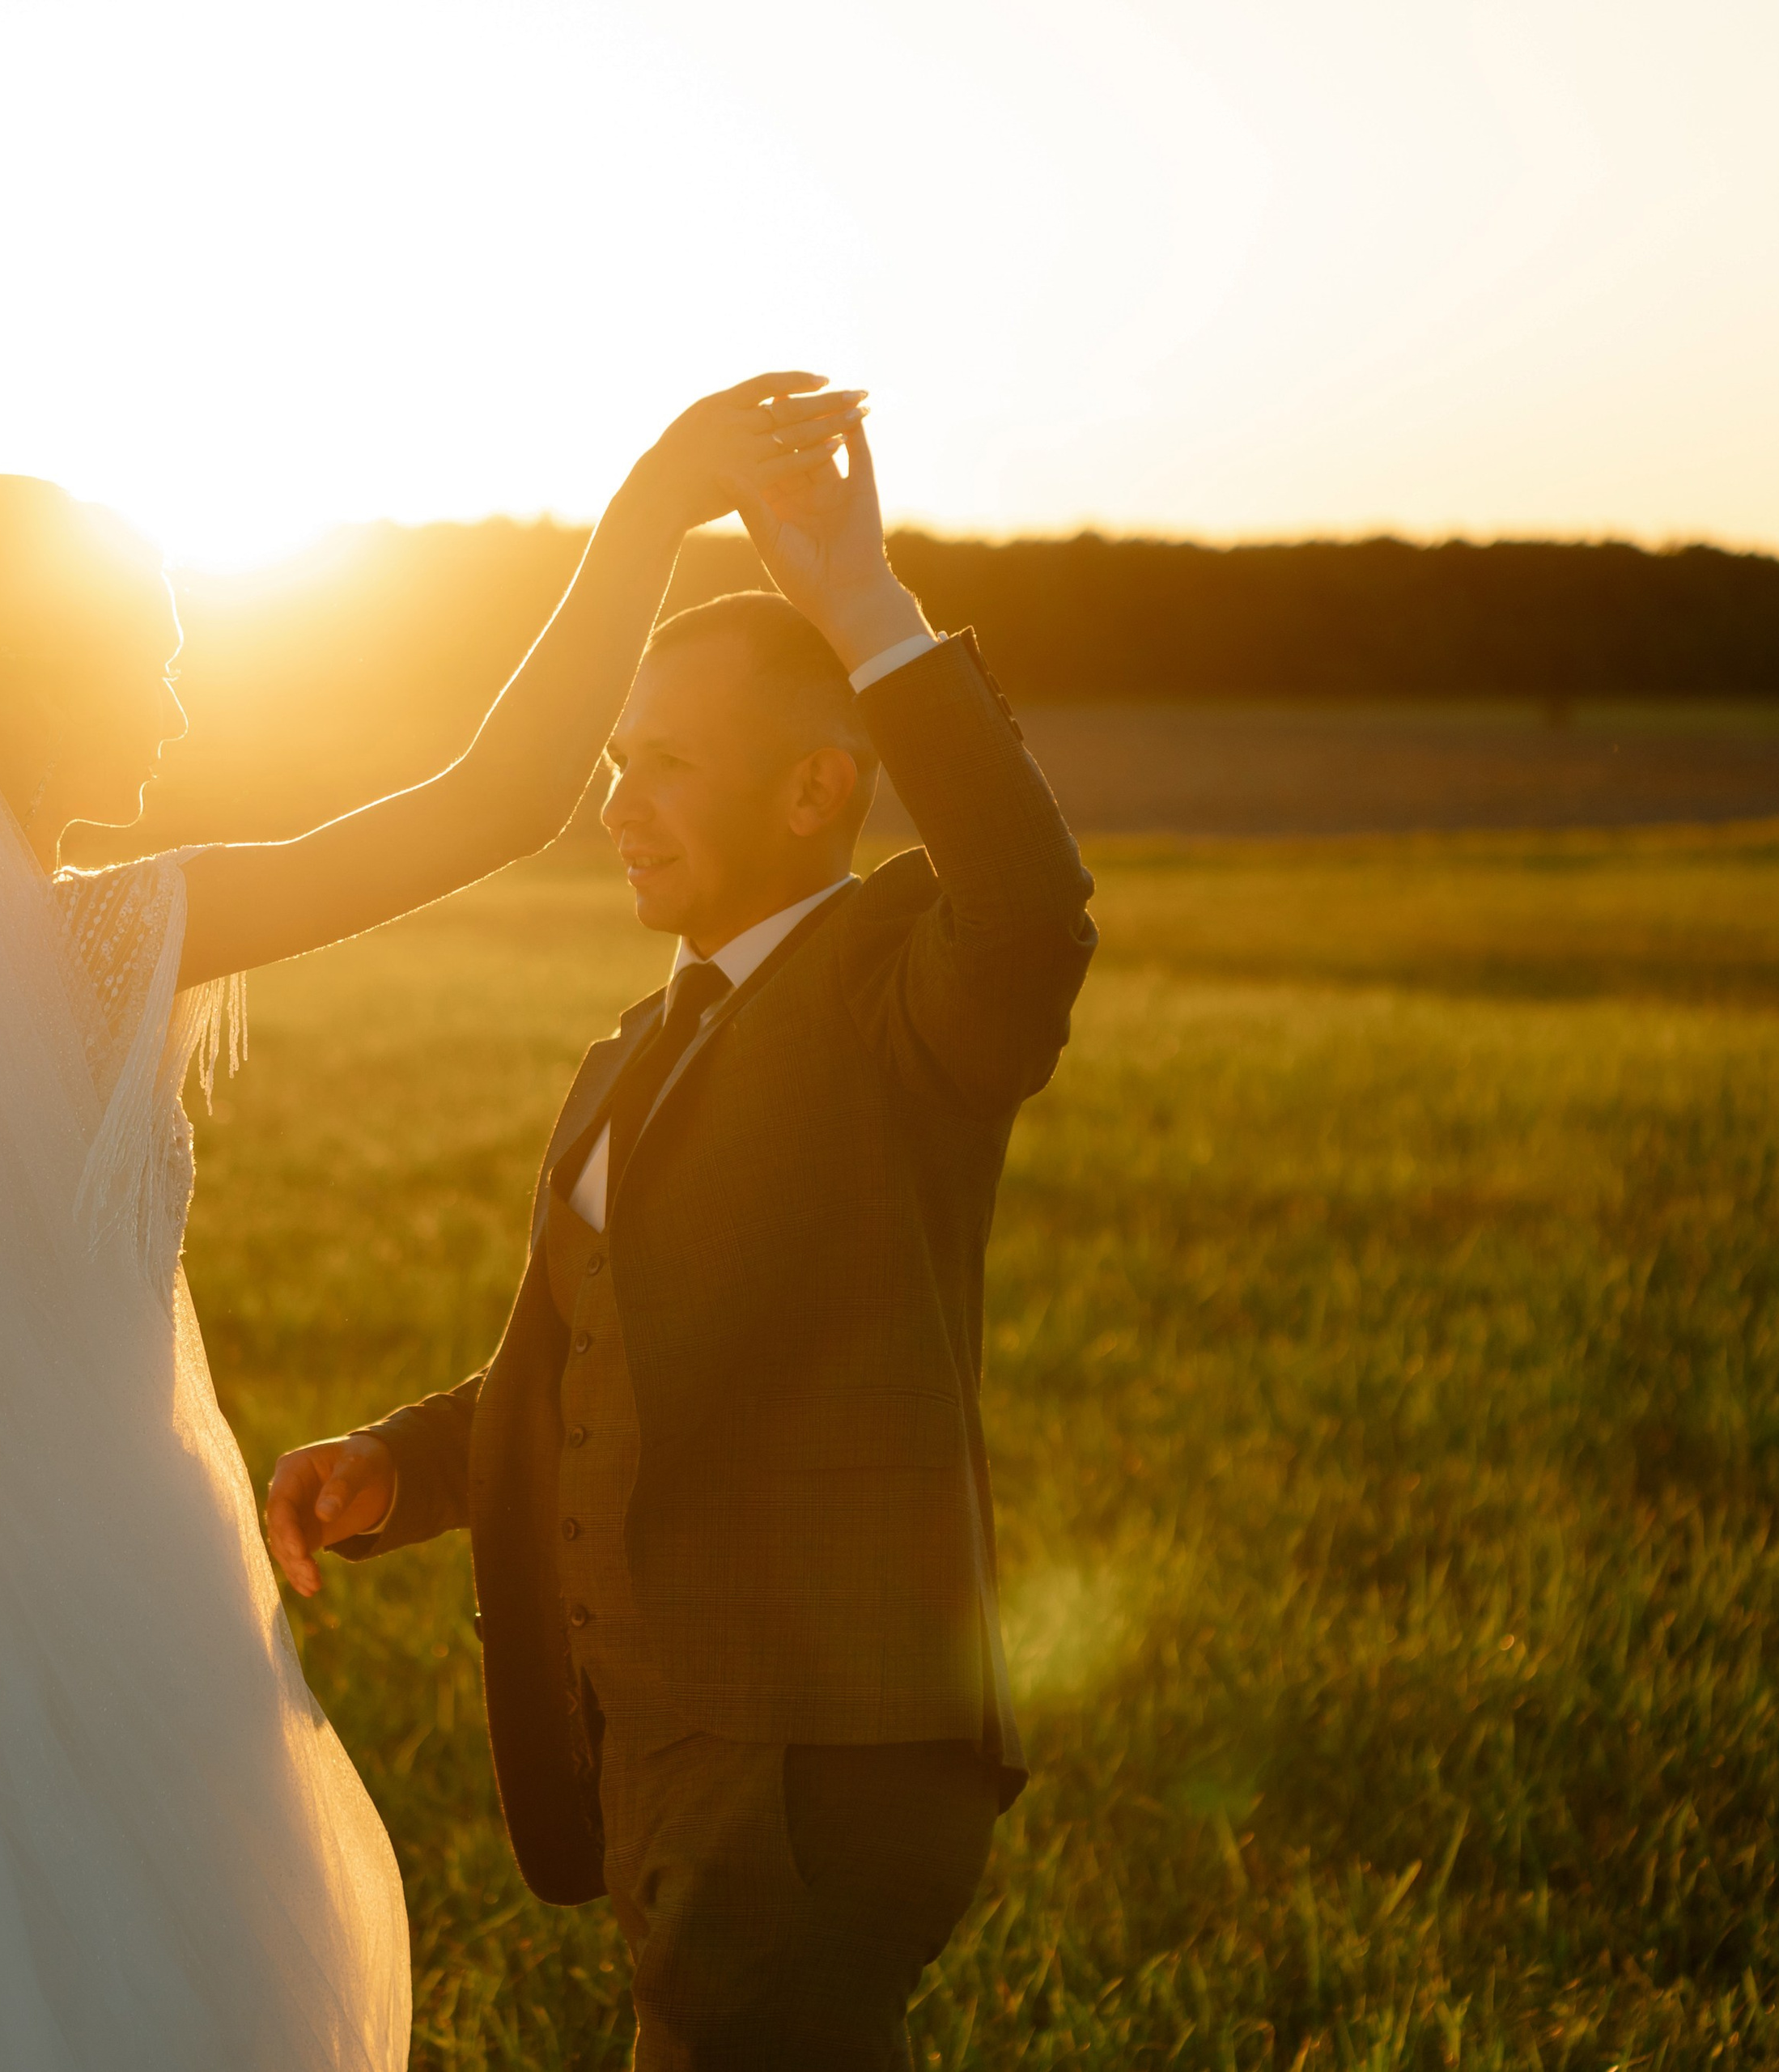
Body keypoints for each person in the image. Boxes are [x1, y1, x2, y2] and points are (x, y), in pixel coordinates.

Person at [0, 372, 860, 2070]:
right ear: (32, 693)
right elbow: (497, 797)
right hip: (136, 1595)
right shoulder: (124, 939)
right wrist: (646, 509)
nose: (177, 697)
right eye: (151, 656)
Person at [267, 418, 1097, 2068]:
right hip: (655, 1744)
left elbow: (1026, 903)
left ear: (815, 788)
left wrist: (861, 602)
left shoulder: (897, 1001)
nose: (613, 803)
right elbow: (576, 1354)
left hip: (817, 1747)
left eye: (663, 764)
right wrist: (398, 1464)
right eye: (614, 758)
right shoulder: (629, 1051)